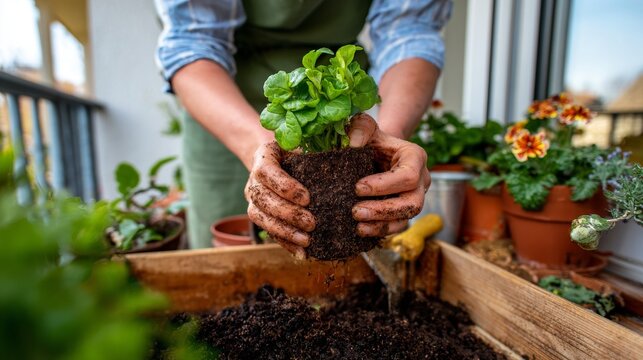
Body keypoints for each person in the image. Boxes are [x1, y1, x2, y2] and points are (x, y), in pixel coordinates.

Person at [154, 0, 452, 256]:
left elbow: (410, 29)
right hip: (224, 107)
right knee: (230, 268)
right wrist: (257, 147)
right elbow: (192, 40)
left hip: (336, 93)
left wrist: (389, 140)